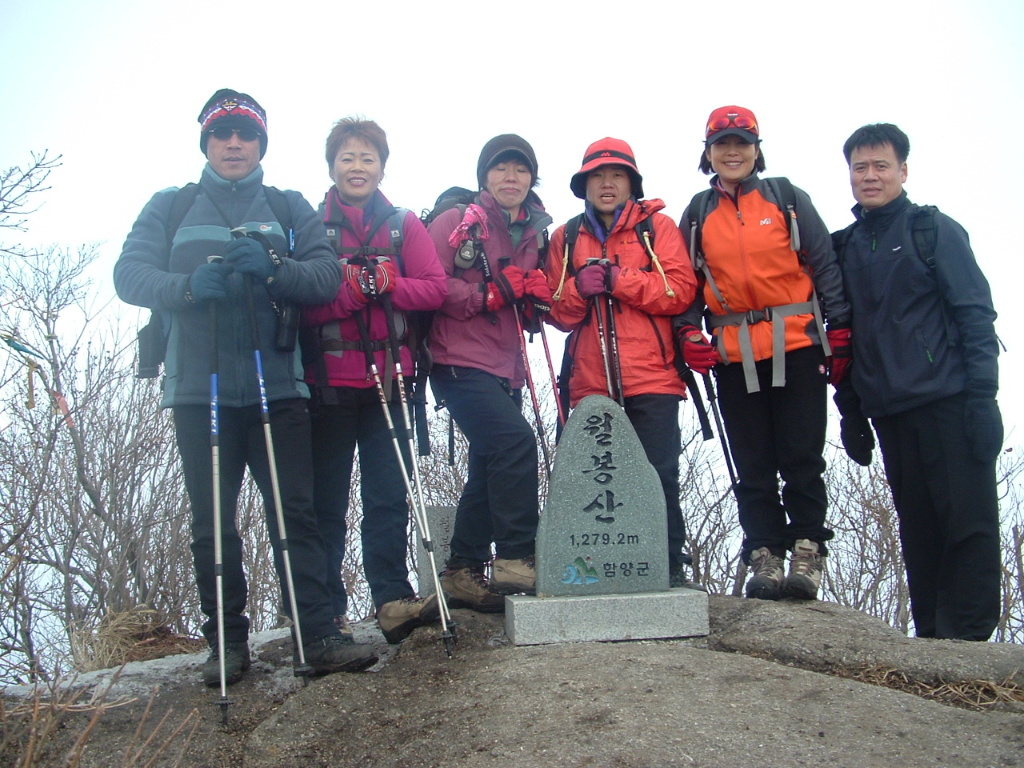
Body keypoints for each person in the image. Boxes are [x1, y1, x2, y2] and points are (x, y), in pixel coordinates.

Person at [114, 89, 377, 686]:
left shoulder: (286, 206)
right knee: (212, 522)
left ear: (261, 142)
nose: (234, 143)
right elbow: (129, 274)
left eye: (246, 133)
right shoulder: (172, 205)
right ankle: (227, 645)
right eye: (222, 133)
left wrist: (276, 269)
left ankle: (316, 634)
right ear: (206, 142)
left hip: (277, 386)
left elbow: (326, 274)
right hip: (197, 392)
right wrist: (185, 287)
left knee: (296, 514)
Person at [832, 123, 1002, 640]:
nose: (870, 176)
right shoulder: (844, 247)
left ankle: (970, 640)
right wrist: (852, 410)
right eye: (860, 167)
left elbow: (975, 315)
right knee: (918, 527)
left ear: (903, 171)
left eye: (881, 165)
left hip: (948, 400)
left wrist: (983, 399)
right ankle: (931, 636)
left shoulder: (933, 230)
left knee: (967, 523)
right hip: (888, 410)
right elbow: (842, 339)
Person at [676, 106, 851, 601]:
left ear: (757, 149)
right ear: (707, 153)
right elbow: (687, 284)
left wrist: (838, 331)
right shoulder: (697, 213)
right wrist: (688, 331)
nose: (732, 152)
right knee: (751, 463)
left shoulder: (787, 197)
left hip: (796, 343)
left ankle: (808, 551)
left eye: (742, 143)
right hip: (733, 352)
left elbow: (824, 264)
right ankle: (764, 555)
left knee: (800, 455)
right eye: (722, 144)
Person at [301, 118, 447, 644]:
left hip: (393, 381)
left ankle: (390, 597)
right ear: (332, 166)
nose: (357, 167)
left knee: (389, 495)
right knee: (328, 504)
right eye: (347, 157)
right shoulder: (310, 225)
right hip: (330, 385)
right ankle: (327, 611)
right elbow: (298, 305)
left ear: (382, 166)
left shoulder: (402, 225)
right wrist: (353, 292)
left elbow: (435, 289)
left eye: (367, 158)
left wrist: (390, 284)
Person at [545, 137, 700, 588]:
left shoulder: (658, 228)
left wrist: (617, 279)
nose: (607, 183)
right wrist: (580, 287)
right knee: (588, 479)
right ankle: (588, 571)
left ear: (632, 182)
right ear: (584, 184)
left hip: (651, 375)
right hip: (589, 380)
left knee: (657, 475)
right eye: (597, 175)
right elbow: (556, 313)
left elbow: (679, 291)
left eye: (616, 175)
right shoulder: (566, 236)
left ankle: (669, 565)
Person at [427, 134, 553, 610]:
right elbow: (430, 285)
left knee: (488, 464)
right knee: (514, 443)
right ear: (485, 176)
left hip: (507, 365)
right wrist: (487, 295)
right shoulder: (455, 223)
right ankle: (516, 557)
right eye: (501, 168)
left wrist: (538, 299)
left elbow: (533, 297)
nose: (511, 178)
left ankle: (462, 567)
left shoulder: (535, 232)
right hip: (457, 359)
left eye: (520, 170)